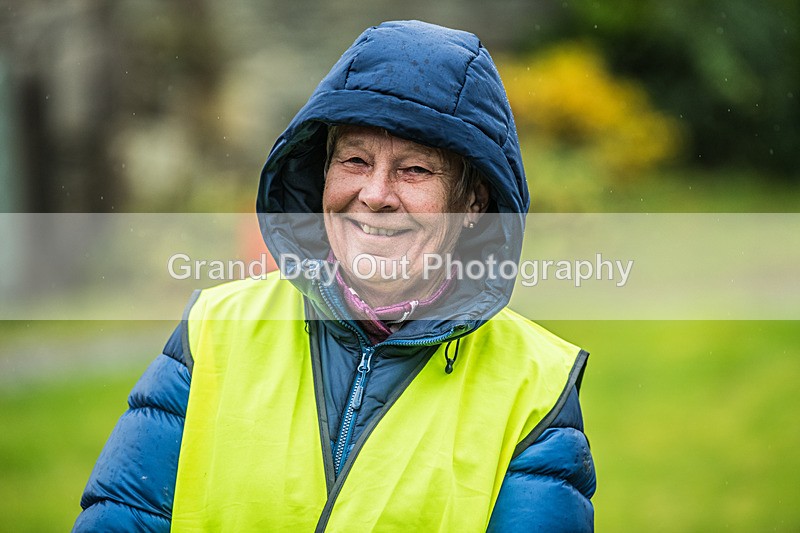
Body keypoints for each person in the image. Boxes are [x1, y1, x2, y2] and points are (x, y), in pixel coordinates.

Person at [74, 20, 595, 532]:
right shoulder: (214, 328)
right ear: (320, 172)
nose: (374, 195)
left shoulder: (536, 388)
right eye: (354, 160)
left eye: (415, 170)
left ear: (473, 201)